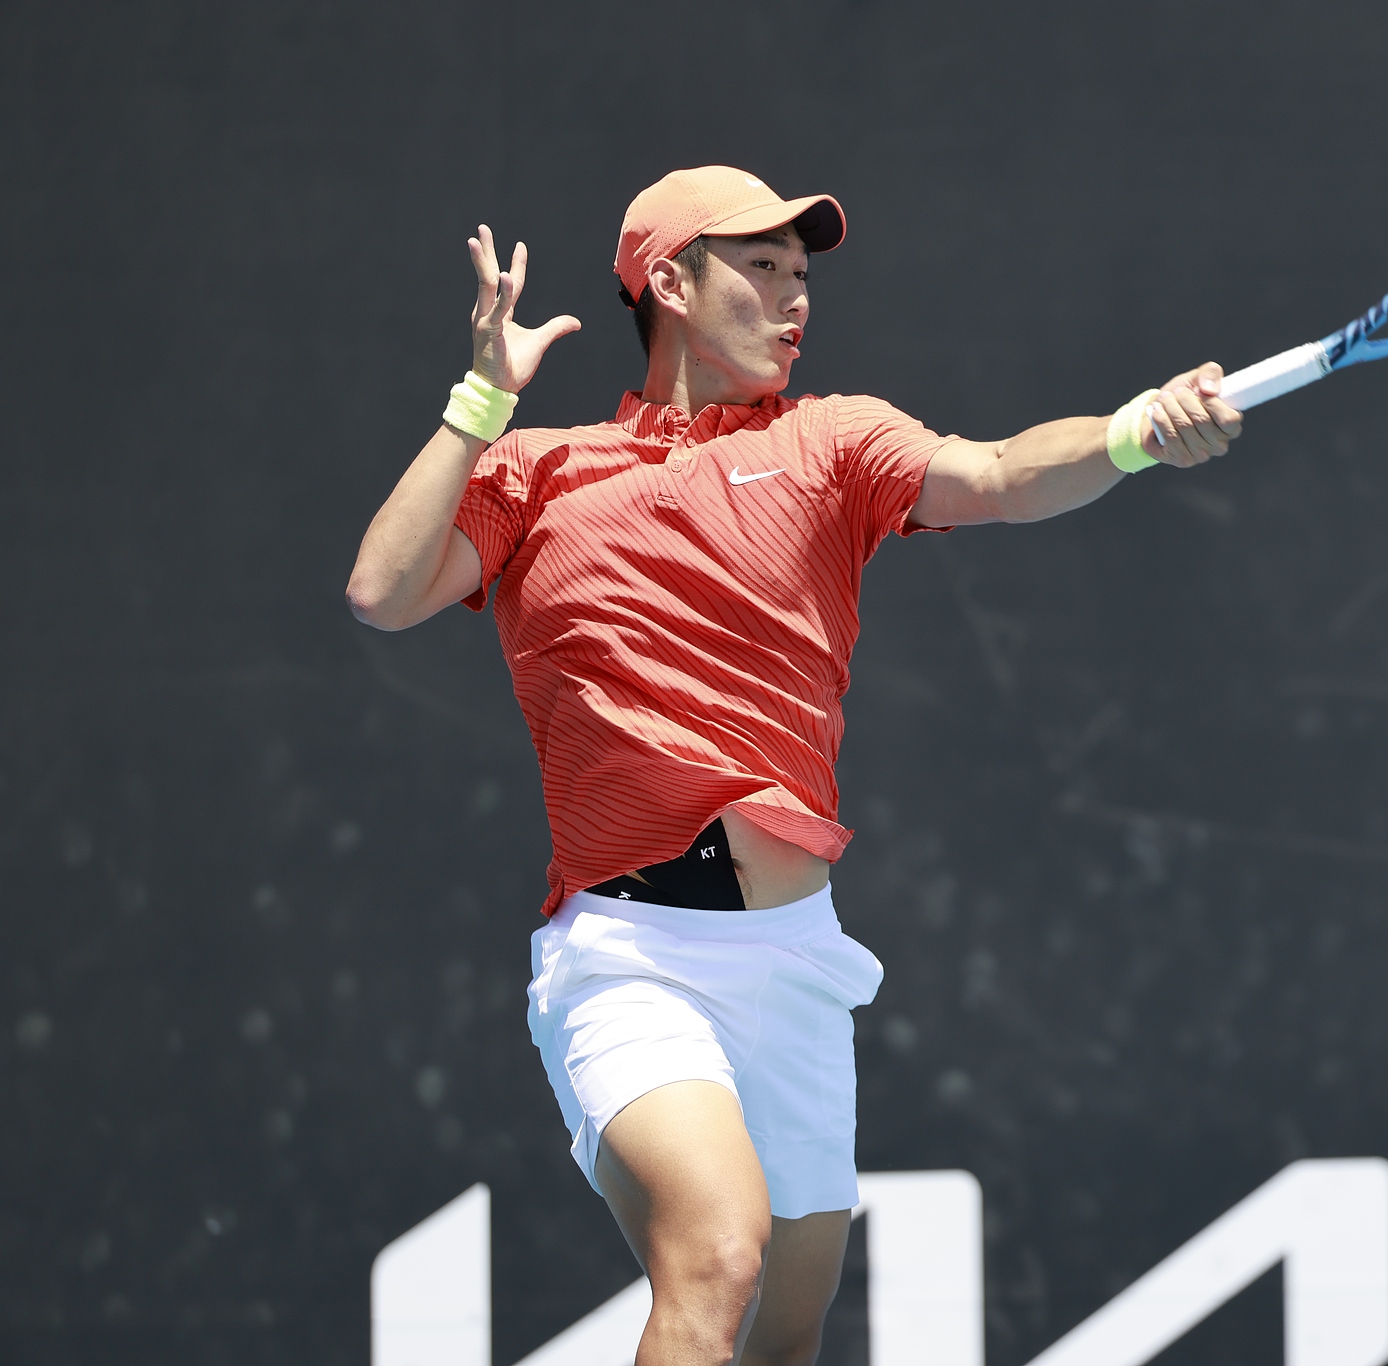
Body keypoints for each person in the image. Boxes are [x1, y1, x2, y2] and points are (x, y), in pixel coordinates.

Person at [345, 165, 1241, 1366]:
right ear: (669, 283)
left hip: (796, 959)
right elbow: (382, 590)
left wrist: (1133, 435)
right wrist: (480, 401)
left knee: (784, 1333)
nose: (793, 297)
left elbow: (1001, 474)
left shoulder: (833, 441)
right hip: (630, 959)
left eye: (801, 274)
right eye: (760, 267)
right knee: (718, 1251)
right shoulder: (536, 472)